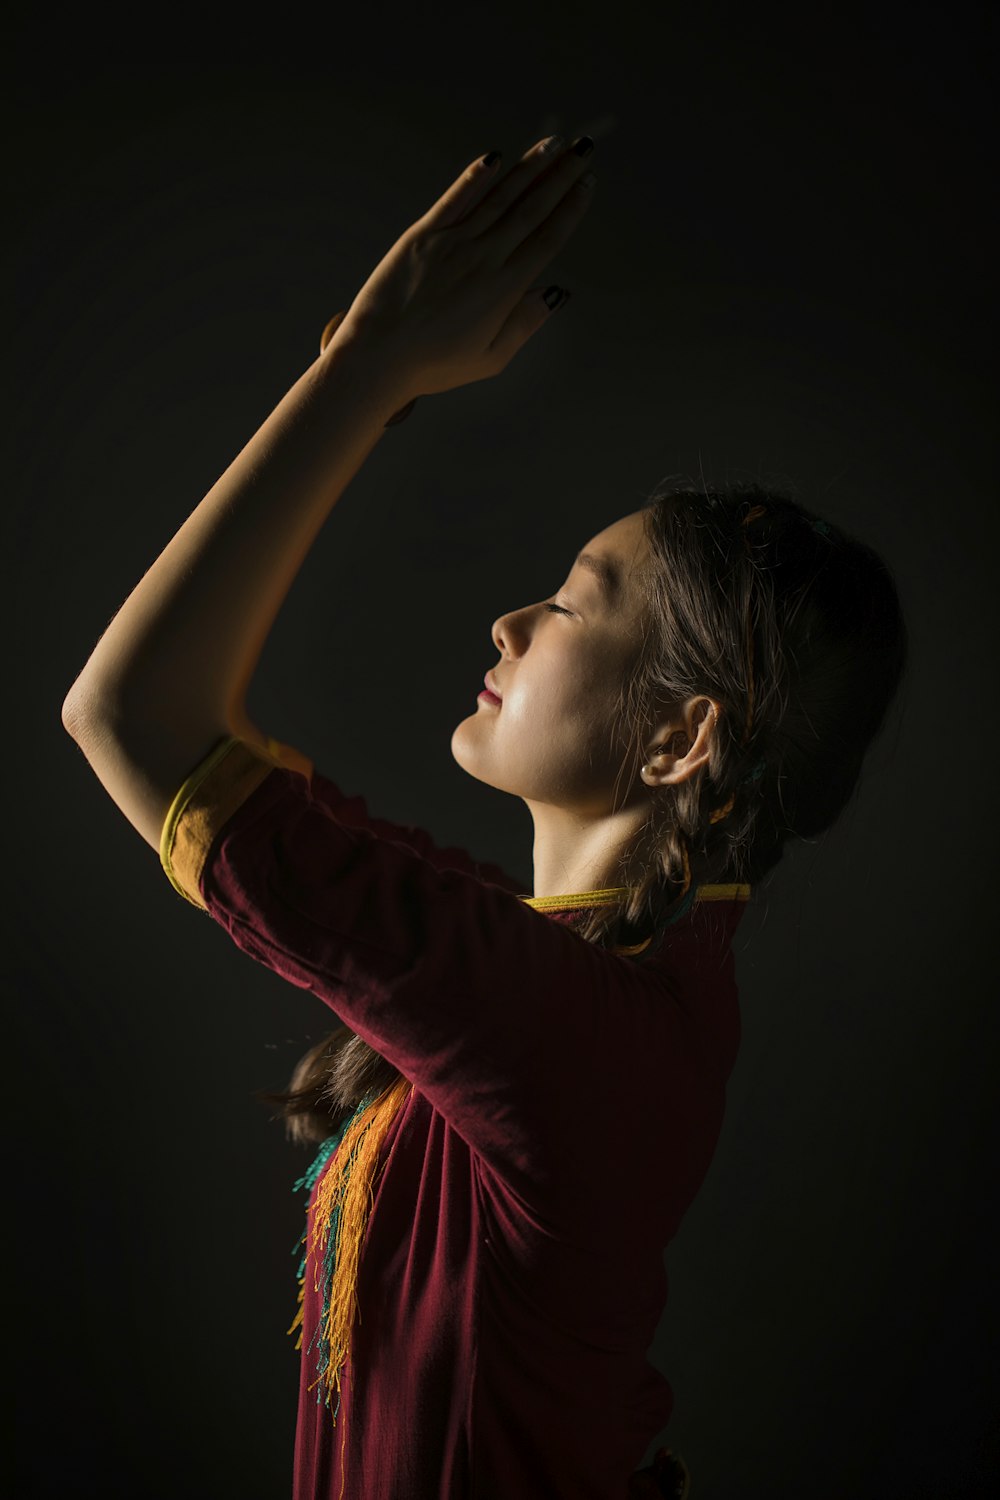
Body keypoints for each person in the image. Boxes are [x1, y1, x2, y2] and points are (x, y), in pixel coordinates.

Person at [61, 127, 907, 1500]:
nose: (512, 619)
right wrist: (363, 386)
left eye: (573, 601)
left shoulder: (575, 1027)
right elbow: (184, 723)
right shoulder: (586, 983)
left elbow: (130, 716)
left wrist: (368, 370)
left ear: (688, 733)